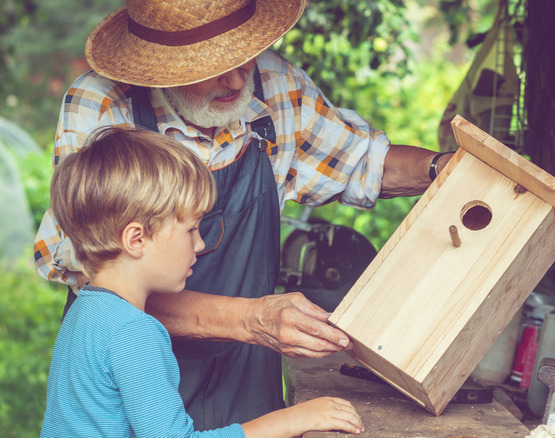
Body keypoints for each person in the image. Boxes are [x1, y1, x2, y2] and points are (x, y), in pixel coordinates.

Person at [34, 0, 453, 430]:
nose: (238, 79)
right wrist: (253, 320)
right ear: (160, 66)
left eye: (243, 56)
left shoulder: (271, 80)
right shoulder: (103, 104)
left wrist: (447, 170)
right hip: (134, 368)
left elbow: (362, 161)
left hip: (246, 375)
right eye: (212, 66)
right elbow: (94, 264)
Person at [40, 126, 365, 437]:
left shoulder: (86, 312)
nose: (199, 245)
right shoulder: (133, 333)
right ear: (136, 239)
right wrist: (294, 419)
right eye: (191, 230)